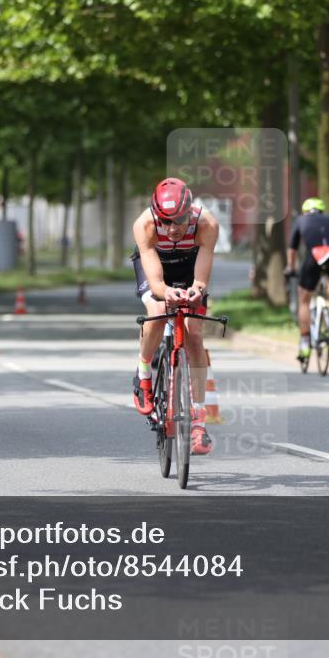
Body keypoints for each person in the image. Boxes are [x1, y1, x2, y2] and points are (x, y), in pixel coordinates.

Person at [131, 177, 219, 456]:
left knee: (194, 333)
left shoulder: (207, 224)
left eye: (178, 220)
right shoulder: (144, 225)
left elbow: (202, 279)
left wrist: (197, 290)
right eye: (165, 221)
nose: (171, 229)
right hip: (157, 267)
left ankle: (198, 423)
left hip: (189, 267)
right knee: (157, 312)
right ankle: (144, 374)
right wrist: (166, 292)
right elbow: (156, 283)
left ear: (189, 211)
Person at [284, 198, 329, 361]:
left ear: (305, 211)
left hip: (315, 255)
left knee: (304, 299)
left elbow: (292, 249)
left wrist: (291, 268)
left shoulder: (301, 220)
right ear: (322, 210)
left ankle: (304, 344)